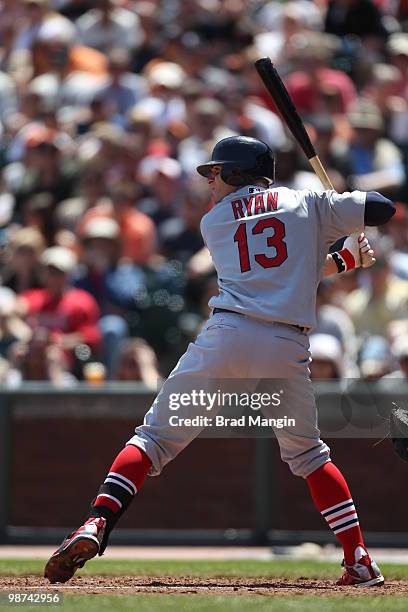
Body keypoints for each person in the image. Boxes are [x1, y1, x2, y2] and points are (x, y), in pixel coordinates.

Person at [44, 136, 394, 587]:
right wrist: (343, 217)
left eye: (216, 173)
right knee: (309, 455)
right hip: (285, 345)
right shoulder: (307, 202)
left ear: (235, 173)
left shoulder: (216, 222)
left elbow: (273, 268)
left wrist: (339, 252)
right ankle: (359, 558)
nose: (211, 183)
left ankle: (96, 522)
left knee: (151, 439)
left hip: (226, 336)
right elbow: (381, 208)